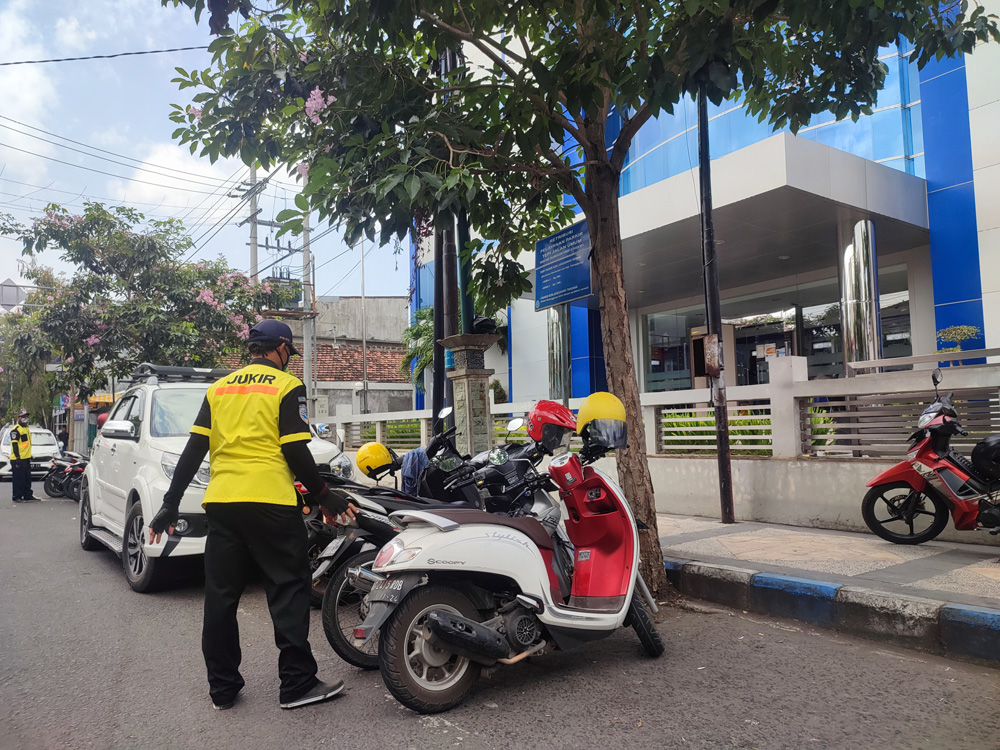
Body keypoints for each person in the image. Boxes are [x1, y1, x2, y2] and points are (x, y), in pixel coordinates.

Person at [148, 319, 358, 711]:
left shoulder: (219, 388)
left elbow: (194, 449)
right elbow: (294, 449)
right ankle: (297, 684)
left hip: (222, 504)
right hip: (270, 502)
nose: (289, 359)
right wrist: (325, 496)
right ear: (280, 348)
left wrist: (170, 503)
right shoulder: (286, 386)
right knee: (288, 588)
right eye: (289, 352)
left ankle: (222, 689)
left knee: (221, 596)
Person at [10, 408, 36, 503]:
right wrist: (17, 458)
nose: (26, 418)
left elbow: (26, 445)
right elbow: (15, 445)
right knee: (18, 479)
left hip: (26, 458)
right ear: (18, 418)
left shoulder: (26, 428)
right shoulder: (16, 430)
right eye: (23, 417)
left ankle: (27, 495)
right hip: (18, 459)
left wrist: (29, 455)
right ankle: (17, 496)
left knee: (27, 478)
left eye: (27, 416)